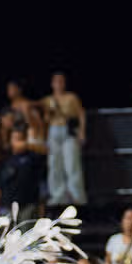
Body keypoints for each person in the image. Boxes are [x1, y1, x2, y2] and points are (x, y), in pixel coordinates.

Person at [42, 71, 89, 207]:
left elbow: (81, 114)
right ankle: (58, 196)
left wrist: (82, 132)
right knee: (54, 165)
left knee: (72, 164)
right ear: (52, 84)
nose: (59, 84)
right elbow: (45, 119)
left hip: (68, 130)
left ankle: (77, 196)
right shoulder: (48, 100)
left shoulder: (71, 97)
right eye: (56, 81)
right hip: (53, 130)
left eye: (61, 81)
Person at [0, 127, 47, 220]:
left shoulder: (34, 158)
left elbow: (41, 183)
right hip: (8, 205)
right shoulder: (6, 159)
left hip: (28, 205)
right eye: (15, 139)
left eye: (21, 139)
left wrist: (41, 206)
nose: (19, 143)